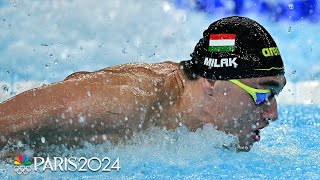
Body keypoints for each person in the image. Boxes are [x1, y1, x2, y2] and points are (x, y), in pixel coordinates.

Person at [0, 16, 286, 155]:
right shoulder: (122, 104)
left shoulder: (211, 135)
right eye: (263, 94)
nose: (272, 113)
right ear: (212, 80)